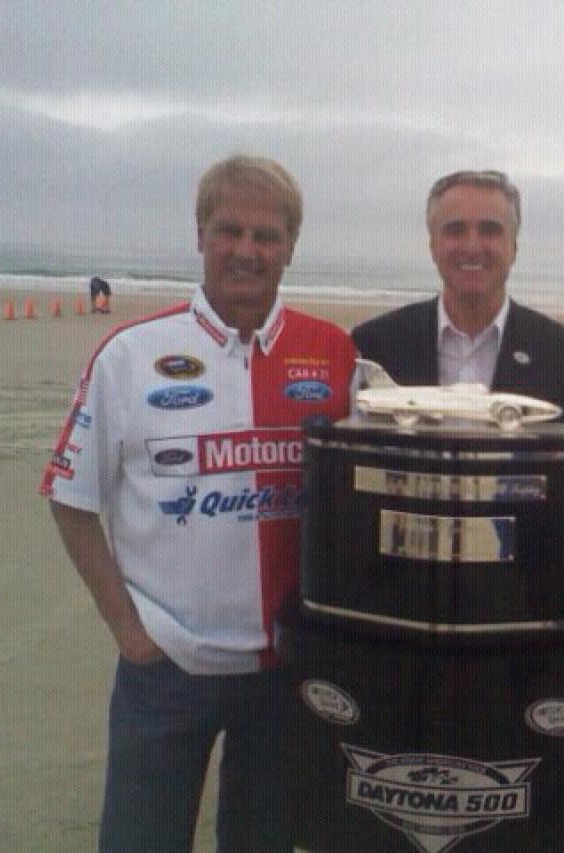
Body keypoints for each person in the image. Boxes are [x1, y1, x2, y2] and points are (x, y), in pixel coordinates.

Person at [40, 155, 356, 852]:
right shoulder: (130, 355)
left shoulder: (335, 354)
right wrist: (128, 628)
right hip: (165, 666)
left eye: (266, 235)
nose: (246, 250)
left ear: (290, 247)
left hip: (284, 673)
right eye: (228, 230)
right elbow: (70, 498)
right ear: (201, 235)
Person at [351, 169, 564, 433]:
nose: (472, 246)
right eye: (455, 230)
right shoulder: (374, 346)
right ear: (433, 246)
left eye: (489, 230)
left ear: (514, 248)